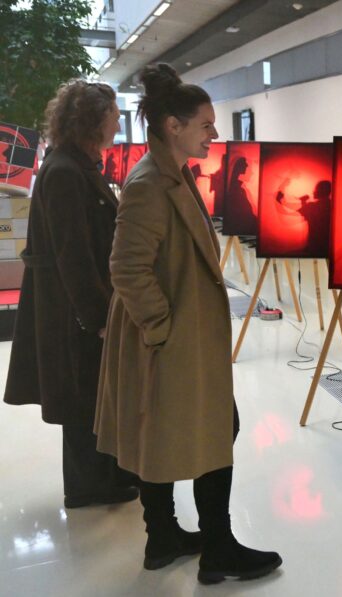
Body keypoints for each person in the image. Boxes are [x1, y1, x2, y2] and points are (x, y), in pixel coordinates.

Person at [92, 63, 281, 583]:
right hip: (171, 337)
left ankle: (164, 537)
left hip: (179, 335)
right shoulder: (151, 183)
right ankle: (218, 549)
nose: (214, 134)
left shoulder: (170, 174)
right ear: (172, 126)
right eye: (206, 125)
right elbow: (126, 267)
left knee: (168, 432)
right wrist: (163, 329)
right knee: (214, 429)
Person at [3, 81, 138, 509]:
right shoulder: (65, 171)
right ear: (92, 119)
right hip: (72, 311)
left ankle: (101, 478)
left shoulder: (75, 165)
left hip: (74, 306)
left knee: (91, 394)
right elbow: (72, 255)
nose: (118, 123)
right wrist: (98, 318)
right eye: (113, 115)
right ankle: (87, 487)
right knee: (82, 397)